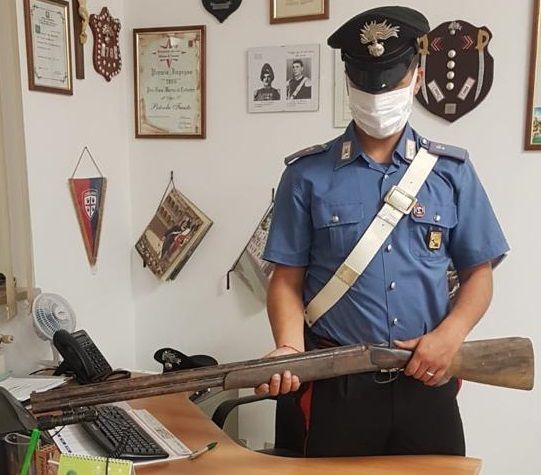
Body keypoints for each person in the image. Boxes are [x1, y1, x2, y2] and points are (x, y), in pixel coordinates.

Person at [257, 6, 509, 458]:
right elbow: (286, 279)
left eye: (390, 81)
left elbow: (479, 273)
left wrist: (450, 336)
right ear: (348, 83)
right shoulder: (306, 175)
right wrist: (290, 348)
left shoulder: (451, 172)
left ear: (417, 76)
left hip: (428, 378)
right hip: (338, 383)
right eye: (366, 83)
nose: (378, 95)